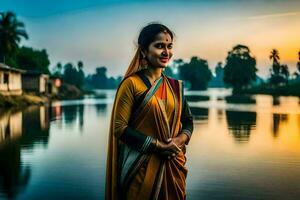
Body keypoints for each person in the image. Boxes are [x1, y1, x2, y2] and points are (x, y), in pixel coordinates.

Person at [105, 22, 193, 200]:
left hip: (172, 165)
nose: (166, 52)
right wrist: (159, 146)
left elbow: (188, 121)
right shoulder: (131, 84)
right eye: (159, 46)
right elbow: (119, 127)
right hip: (139, 169)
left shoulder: (175, 87)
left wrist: (177, 141)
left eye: (169, 46)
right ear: (143, 51)